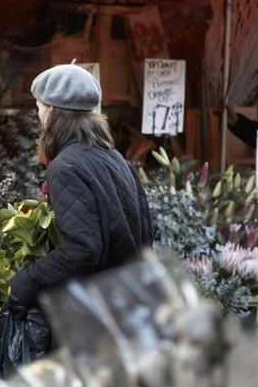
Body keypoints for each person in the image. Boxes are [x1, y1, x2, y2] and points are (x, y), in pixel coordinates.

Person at [9, 63, 152, 309]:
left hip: (95, 307)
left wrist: (27, 280)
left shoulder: (66, 168)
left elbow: (83, 249)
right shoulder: (115, 158)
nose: (39, 117)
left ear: (53, 113)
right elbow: (146, 233)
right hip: (126, 299)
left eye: (40, 109)